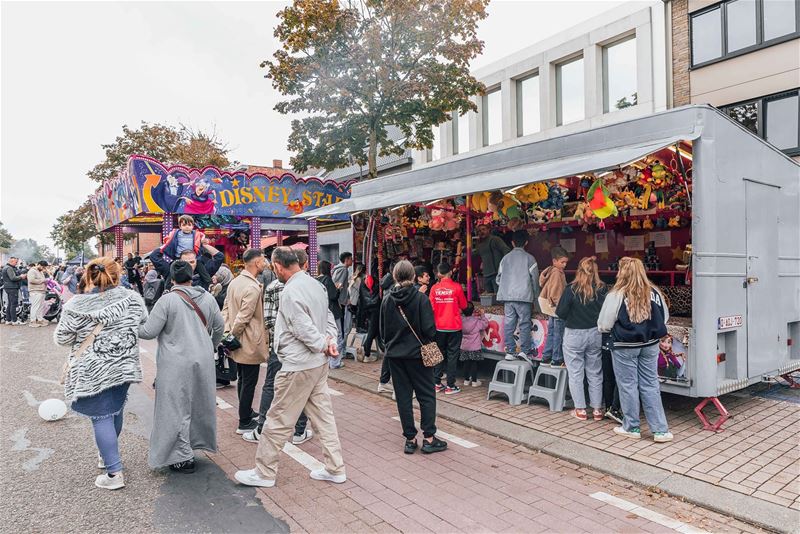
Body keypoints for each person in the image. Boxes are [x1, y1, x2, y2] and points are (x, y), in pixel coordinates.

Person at [235, 247, 343, 488]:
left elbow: (300, 326)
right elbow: (327, 318)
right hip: (317, 364)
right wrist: (329, 342)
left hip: (298, 364)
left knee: (277, 418)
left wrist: (321, 344)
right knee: (323, 418)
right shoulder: (316, 285)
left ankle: (264, 472)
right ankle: (335, 467)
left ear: (278, 266)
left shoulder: (290, 291)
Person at [54, 257, 146, 490]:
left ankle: (114, 473)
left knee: (101, 416)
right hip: (123, 364)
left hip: (92, 368)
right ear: (118, 275)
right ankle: (106, 455)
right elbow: (142, 323)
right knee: (115, 409)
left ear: (89, 275)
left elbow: (63, 338)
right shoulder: (133, 298)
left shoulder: (76, 305)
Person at [138, 260, 225, 472]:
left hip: (174, 362)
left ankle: (181, 456)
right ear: (191, 275)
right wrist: (208, 347)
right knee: (199, 404)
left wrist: (131, 323)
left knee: (175, 408)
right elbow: (220, 327)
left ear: (172, 278)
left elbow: (148, 332)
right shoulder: (208, 298)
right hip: (203, 360)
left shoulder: (167, 300)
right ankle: (194, 445)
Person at [598, 257, 673, 443]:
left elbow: (604, 324)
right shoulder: (654, 291)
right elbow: (665, 318)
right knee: (650, 384)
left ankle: (631, 427)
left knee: (628, 386)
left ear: (622, 272)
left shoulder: (617, 293)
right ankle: (660, 430)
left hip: (625, 346)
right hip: (650, 345)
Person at [242, 249, 311, 446]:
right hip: (303, 348)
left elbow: (270, 321)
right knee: (301, 388)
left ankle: (262, 427)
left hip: (278, 346)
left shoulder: (272, 287)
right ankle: (299, 431)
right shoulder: (313, 286)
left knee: (271, 385)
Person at [380, 260, 448, 455]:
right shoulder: (421, 299)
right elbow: (429, 330)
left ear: (394, 276)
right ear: (413, 276)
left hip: (395, 355)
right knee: (426, 395)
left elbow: (382, 331)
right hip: (419, 354)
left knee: (403, 397)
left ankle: (410, 439)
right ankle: (429, 438)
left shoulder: (387, 299)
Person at [222, 249, 269, 435]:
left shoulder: (235, 282)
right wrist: (233, 334)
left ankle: (246, 411)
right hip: (248, 340)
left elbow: (226, 309)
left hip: (237, 340)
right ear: (256, 263)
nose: (265, 263)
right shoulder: (252, 287)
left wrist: (227, 333)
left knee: (243, 378)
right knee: (249, 381)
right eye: (263, 260)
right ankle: (244, 420)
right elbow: (244, 316)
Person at [556, 256, 607, 421]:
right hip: (595, 333)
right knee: (595, 372)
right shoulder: (602, 288)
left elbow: (560, 313)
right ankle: (598, 409)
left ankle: (580, 410)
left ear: (579, 270)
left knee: (576, 373)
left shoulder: (571, 289)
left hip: (574, 334)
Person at [496, 229, 540, 362]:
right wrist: (536, 297)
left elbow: (498, 278)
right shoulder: (530, 258)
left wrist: (506, 287)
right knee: (524, 324)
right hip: (524, 297)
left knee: (509, 324)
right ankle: (525, 351)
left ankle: (510, 351)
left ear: (513, 243)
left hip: (508, 298)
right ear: (526, 242)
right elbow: (535, 280)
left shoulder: (505, 258)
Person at [430, 262, 468, 394]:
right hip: (454, 327)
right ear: (450, 272)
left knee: (439, 354)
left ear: (439, 273)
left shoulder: (434, 289)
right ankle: (450, 386)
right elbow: (464, 305)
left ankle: (436, 383)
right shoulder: (457, 287)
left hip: (439, 326)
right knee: (452, 356)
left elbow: (431, 308)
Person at [539, 246, 569, 367]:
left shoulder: (551, 270)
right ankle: (557, 359)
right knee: (558, 333)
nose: (565, 265)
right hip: (556, 306)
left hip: (549, 306)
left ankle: (546, 357)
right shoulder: (557, 272)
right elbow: (556, 292)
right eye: (562, 262)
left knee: (551, 332)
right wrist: (561, 307)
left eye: (566, 262)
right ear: (554, 261)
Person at [317, 261, 344, 369]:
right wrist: (338, 289)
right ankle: (335, 362)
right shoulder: (327, 280)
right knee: (337, 335)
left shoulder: (315, 280)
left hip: (321, 311)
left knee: (324, 335)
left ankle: (327, 361)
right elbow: (333, 296)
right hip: (332, 311)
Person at [474, 224, 510, 294]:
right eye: (479, 231)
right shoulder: (480, 244)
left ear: (488, 230)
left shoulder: (495, 239)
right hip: (486, 274)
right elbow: (476, 254)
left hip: (496, 273)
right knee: (489, 298)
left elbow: (506, 250)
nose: (481, 232)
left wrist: (504, 265)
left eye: (483, 229)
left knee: (498, 297)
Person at [332, 252, 354, 363]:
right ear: (346, 259)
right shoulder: (343, 270)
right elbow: (338, 285)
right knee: (341, 330)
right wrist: (340, 301)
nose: (352, 261)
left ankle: (341, 352)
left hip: (340, 302)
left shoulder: (339, 268)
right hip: (340, 303)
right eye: (351, 259)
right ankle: (338, 356)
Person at [460, 302, 489, 386]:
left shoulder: (461, 320)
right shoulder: (477, 321)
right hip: (475, 347)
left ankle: (466, 380)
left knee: (466, 363)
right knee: (474, 363)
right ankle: (474, 381)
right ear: (473, 310)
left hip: (464, 346)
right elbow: (485, 324)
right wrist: (482, 315)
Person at [358, 267, 382, 363]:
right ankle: (366, 351)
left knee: (373, 329)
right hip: (374, 307)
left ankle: (365, 348)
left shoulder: (363, 280)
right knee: (373, 330)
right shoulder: (375, 280)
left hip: (366, 307)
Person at [2, 257, 26, 325]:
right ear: (11, 261)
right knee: (13, 304)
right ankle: (14, 320)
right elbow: (12, 278)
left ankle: (8, 320)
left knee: (10, 304)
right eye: (15, 262)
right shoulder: (9, 268)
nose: (16, 263)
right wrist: (21, 276)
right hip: (12, 287)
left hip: (8, 287)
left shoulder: (5, 267)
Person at [27, 261, 49, 327]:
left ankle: (40, 320)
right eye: (42, 267)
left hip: (41, 291)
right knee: (35, 306)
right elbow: (31, 280)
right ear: (38, 264)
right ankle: (32, 321)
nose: (43, 268)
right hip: (35, 291)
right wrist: (43, 281)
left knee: (40, 307)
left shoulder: (40, 271)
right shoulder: (32, 271)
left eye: (44, 267)